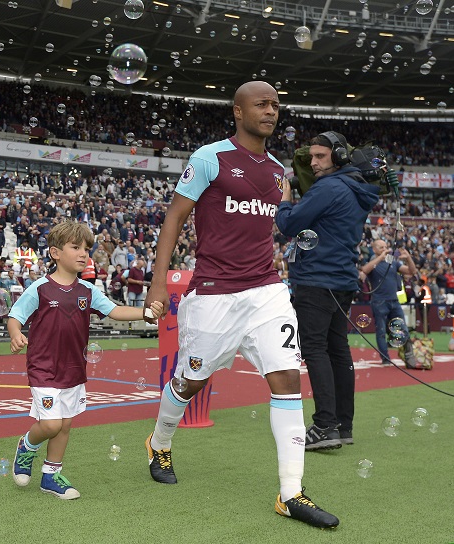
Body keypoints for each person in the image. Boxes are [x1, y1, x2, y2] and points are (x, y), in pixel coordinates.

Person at [142, 81, 338, 528]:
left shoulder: (276, 170)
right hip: (213, 293)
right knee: (190, 381)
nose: (271, 111)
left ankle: (291, 494)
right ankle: (160, 442)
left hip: (266, 290)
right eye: (261, 104)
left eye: (275, 105)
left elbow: (278, 227)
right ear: (237, 111)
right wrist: (158, 282)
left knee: (287, 378)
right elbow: (174, 217)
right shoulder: (209, 157)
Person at [7, 221, 164, 500]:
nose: (83, 254)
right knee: (52, 424)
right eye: (75, 247)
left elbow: (115, 311)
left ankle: (50, 475)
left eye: (87, 249)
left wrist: (146, 314)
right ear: (55, 252)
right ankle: (26, 447)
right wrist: (16, 334)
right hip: (43, 367)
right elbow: (15, 316)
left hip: (73, 369)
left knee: (65, 425)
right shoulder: (40, 288)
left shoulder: (88, 291)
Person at [275, 131, 379, 450]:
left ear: (338, 155)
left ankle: (324, 426)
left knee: (315, 348)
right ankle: (342, 425)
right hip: (342, 278)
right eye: (312, 157)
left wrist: (285, 197)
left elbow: (288, 225)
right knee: (337, 349)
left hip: (317, 278)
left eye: (320, 156)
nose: (314, 163)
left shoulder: (329, 187)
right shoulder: (355, 187)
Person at [360, 239, 419, 367]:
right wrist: (381, 257)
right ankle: (385, 358)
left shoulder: (392, 262)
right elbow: (364, 270)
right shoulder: (372, 262)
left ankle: (410, 359)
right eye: (381, 247)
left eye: (386, 247)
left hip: (394, 301)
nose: (385, 249)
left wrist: (408, 258)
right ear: (374, 249)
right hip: (379, 301)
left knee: (403, 329)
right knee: (381, 331)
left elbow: (411, 271)